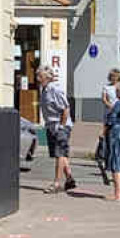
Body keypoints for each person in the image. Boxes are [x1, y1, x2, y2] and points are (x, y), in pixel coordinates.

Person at [38, 66, 76, 194]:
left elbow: (65, 109)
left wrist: (61, 126)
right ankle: (69, 178)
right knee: (60, 153)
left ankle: (56, 183)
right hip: (51, 125)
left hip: (60, 126)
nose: (38, 79)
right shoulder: (45, 90)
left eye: (40, 76)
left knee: (59, 154)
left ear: (47, 77)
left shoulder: (55, 89)